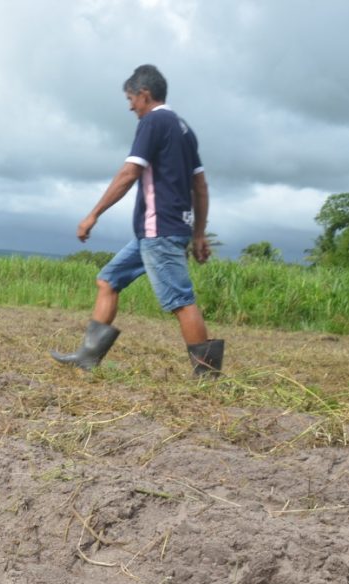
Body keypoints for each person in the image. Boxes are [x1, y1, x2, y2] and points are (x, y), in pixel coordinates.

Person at [51, 64, 223, 376]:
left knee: (180, 300)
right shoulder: (184, 129)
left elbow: (129, 173)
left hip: (159, 231)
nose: (130, 106)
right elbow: (200, 186)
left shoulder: (153, 122)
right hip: (157, 232)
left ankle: (209, 376)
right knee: (108, 280)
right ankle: (87, 358)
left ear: (144, 95)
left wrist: (92, 215)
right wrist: (197, 234)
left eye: (131, 98)